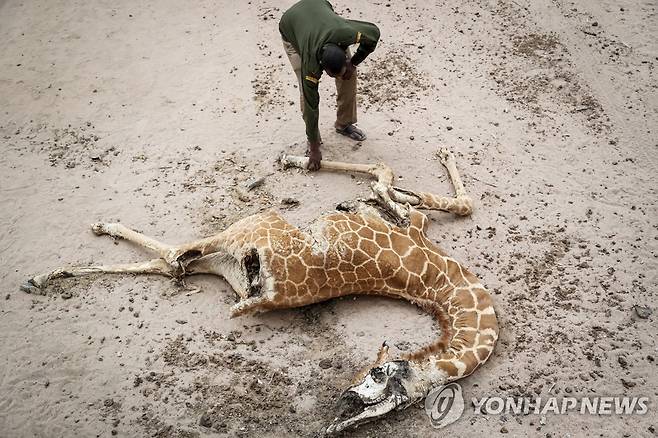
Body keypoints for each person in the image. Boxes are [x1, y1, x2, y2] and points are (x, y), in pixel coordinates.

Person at [279, 0, 380, 170]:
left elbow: (374, 33)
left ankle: (344, 124)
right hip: (291, 30)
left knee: (350, 76)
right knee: (306, 92)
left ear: (343, 52)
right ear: (321, 67)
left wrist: (354, 62)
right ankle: (314, 140)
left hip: (319, 6)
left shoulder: (345, 33)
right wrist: (314, 149)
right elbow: (312, 105)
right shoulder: (311, 66)